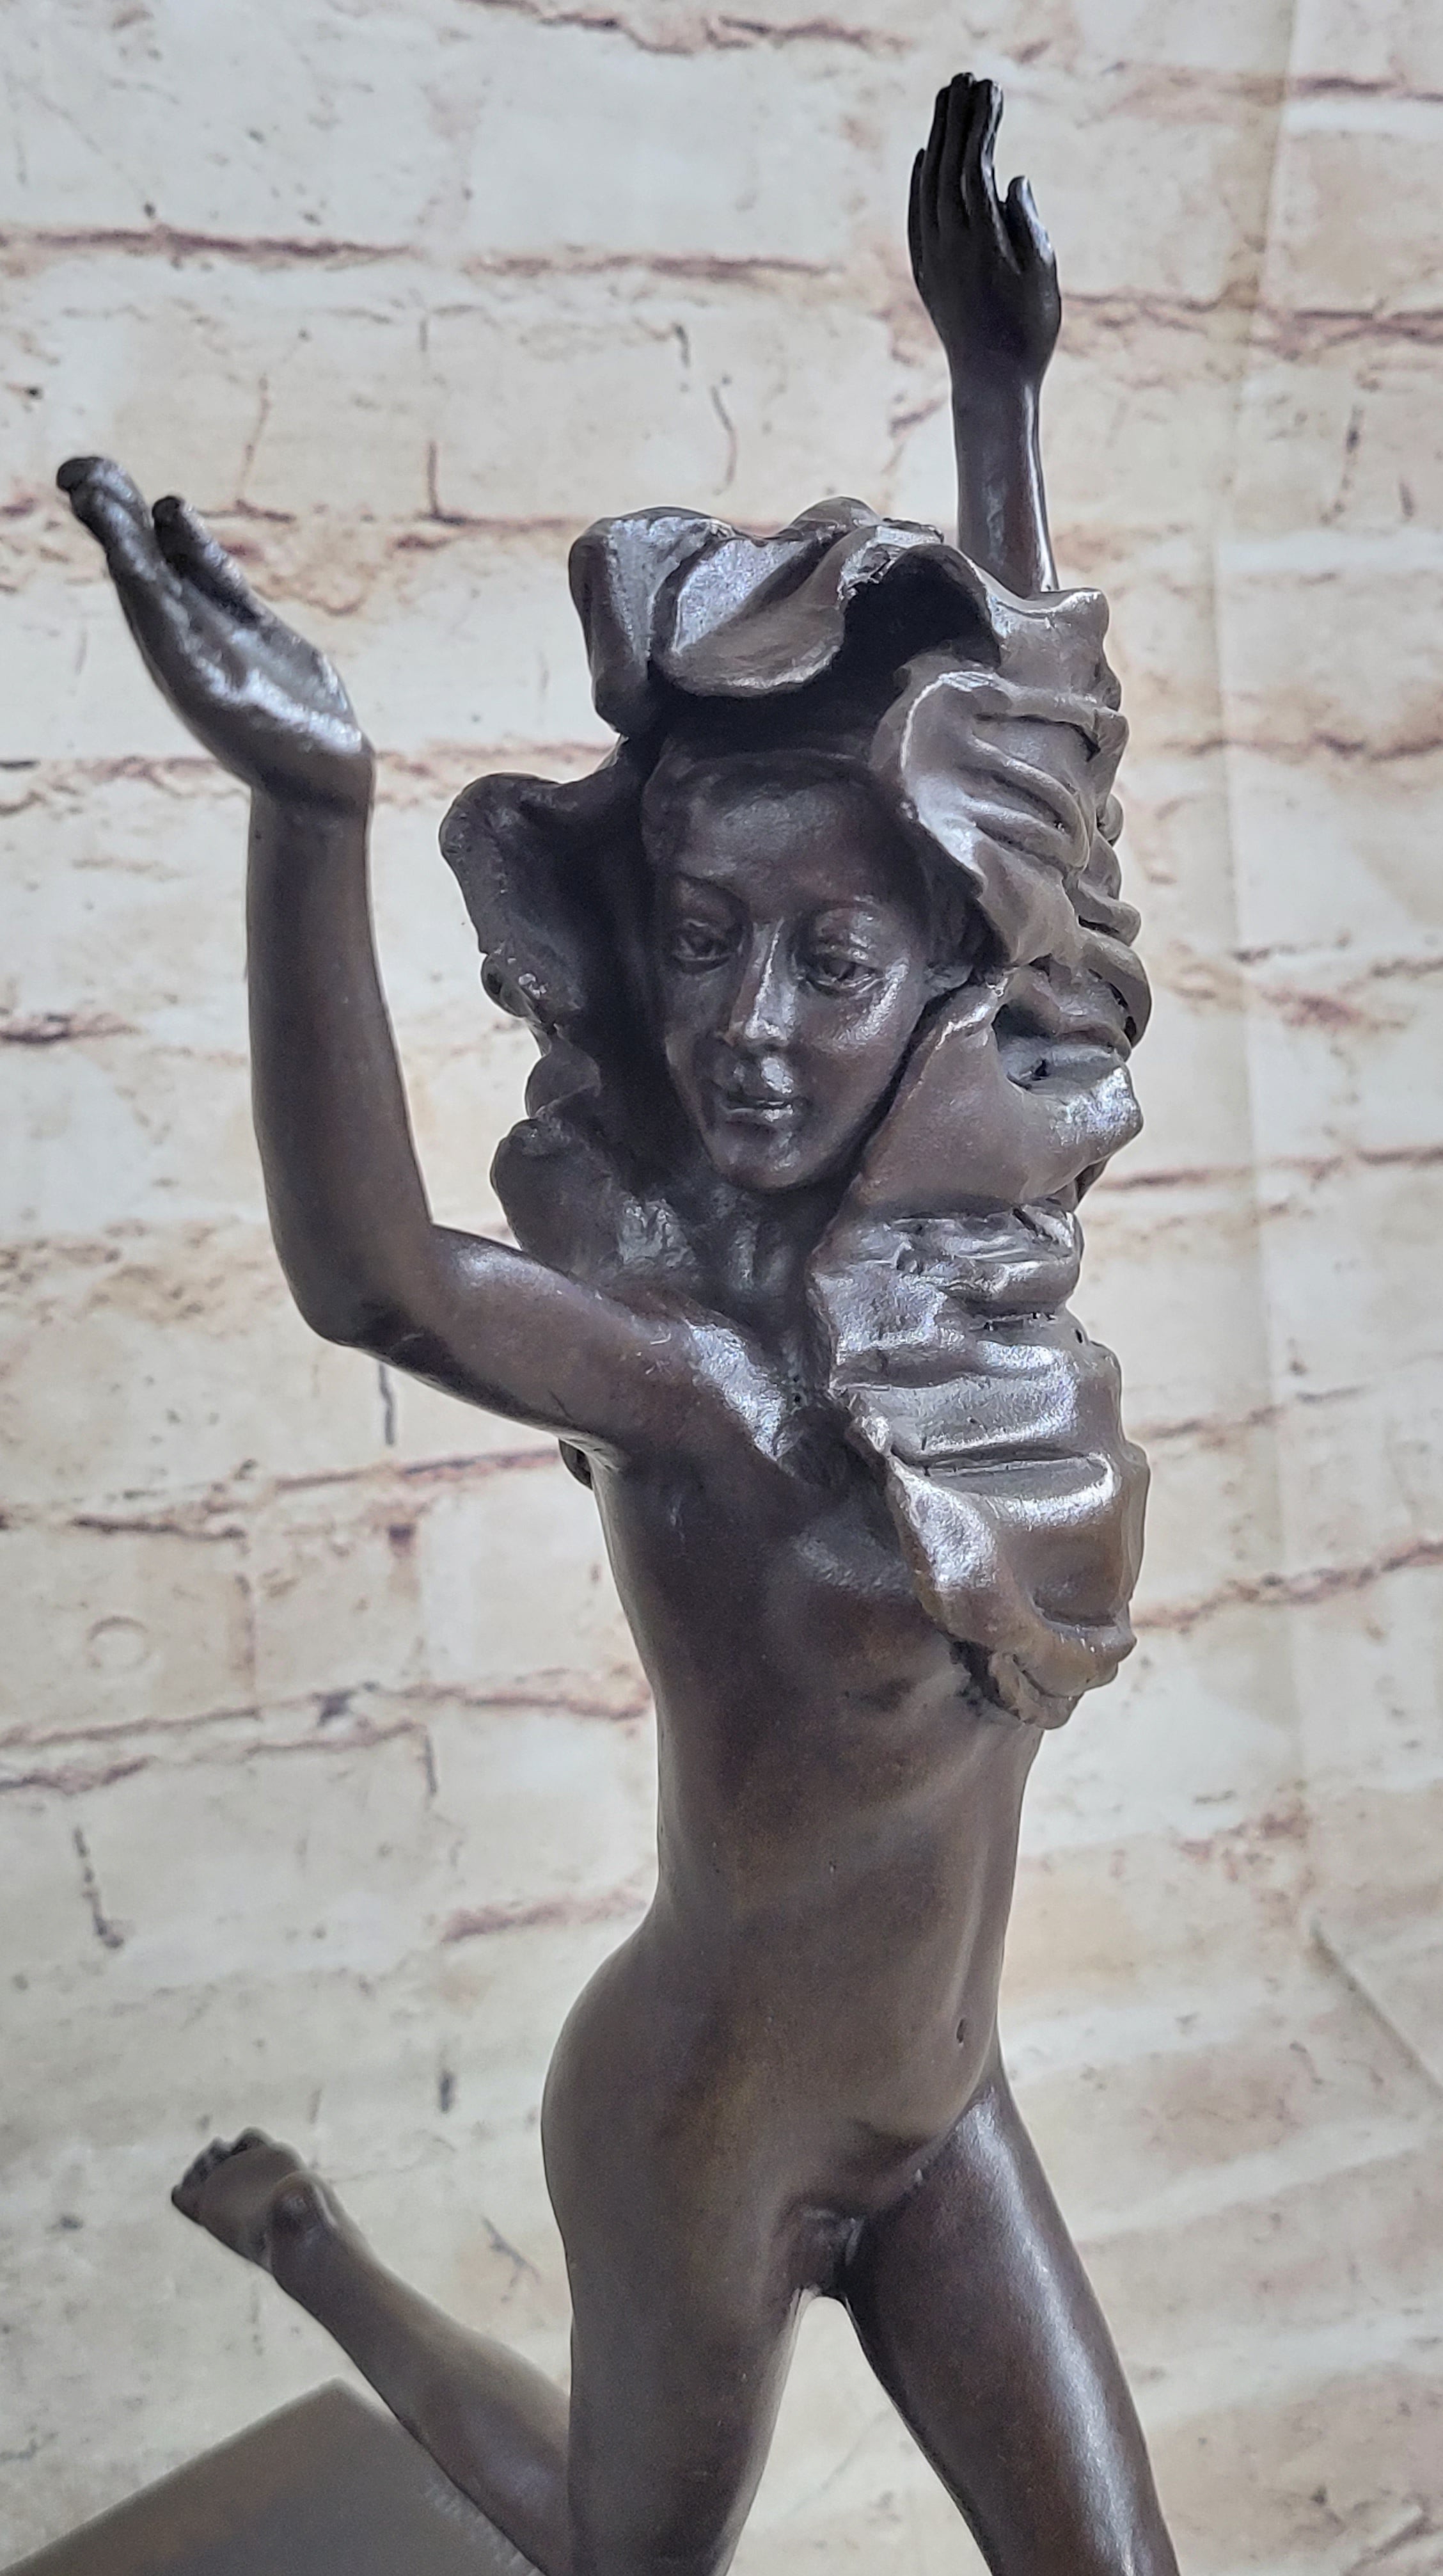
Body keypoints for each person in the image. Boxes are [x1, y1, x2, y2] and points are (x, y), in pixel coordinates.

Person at [59, 74, 1178, 2576]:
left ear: (938, 969)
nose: (754, 1025)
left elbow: (1036, 818)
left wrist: (1000, 400)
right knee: (618, 2550)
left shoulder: (994, 1248)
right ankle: (316, 2248)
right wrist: (312, 816)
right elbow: (380, 1273)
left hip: (947, 2115)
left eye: (830, 955)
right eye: (699, 943)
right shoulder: (710, 1390)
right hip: (700, 2131)